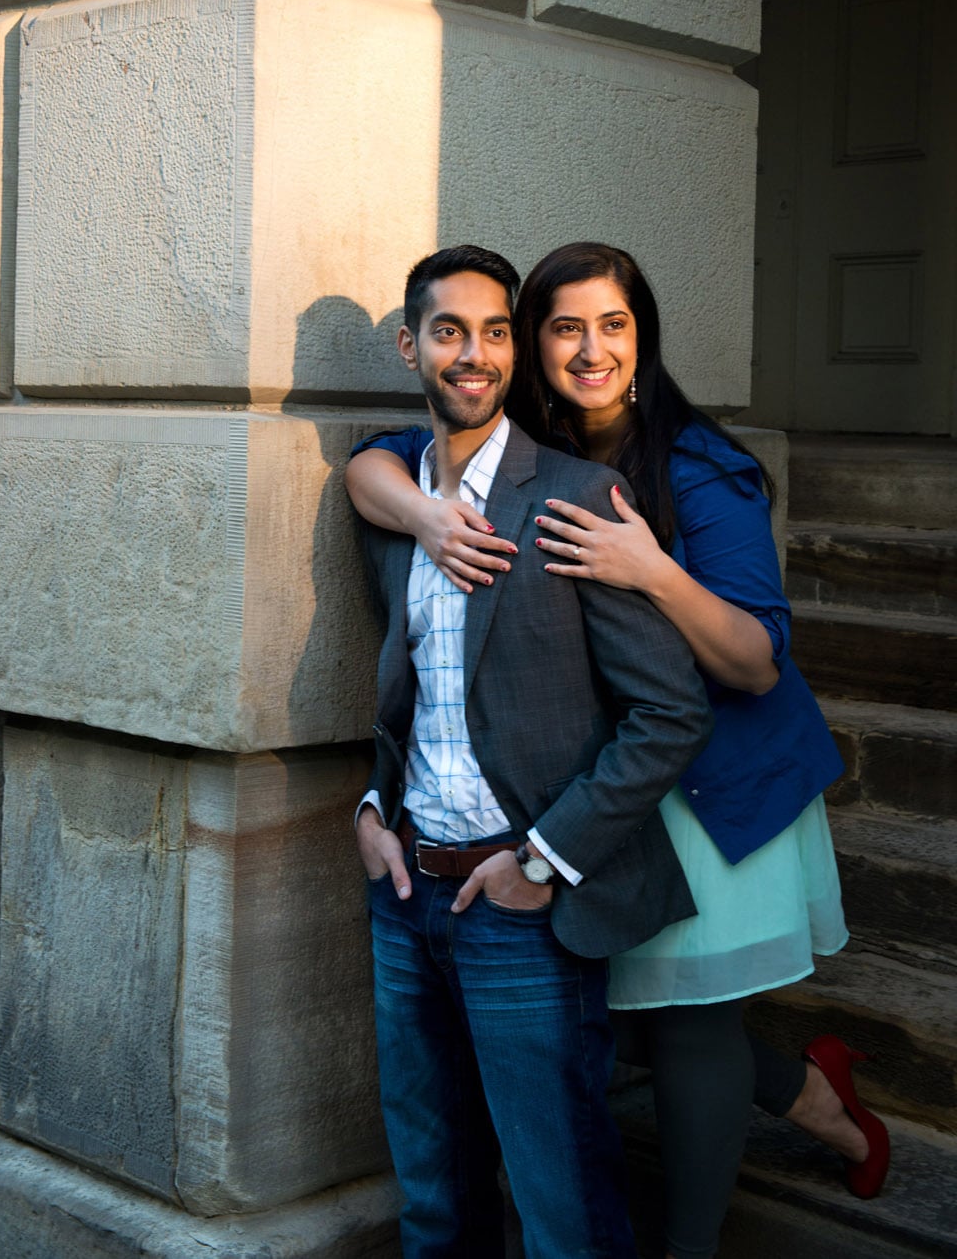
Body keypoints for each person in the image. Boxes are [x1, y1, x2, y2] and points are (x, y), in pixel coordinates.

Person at [346, 241, 891, 1259]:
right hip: (587, 779)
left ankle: (693, 1238)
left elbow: (756, 662)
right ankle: (812, 1089)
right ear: (532, 345)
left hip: (714, 784)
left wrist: (651, 570)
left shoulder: (698, 468)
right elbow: (374, 461)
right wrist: (427, 515)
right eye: (563, 327)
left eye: (614, 326)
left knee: (681, 1024)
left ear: (643, 338)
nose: (589, 349)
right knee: (610, 1006)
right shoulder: (517, 446)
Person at [354, 244, 714, 1259]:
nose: (474, 355)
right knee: (433, 1198)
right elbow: (408, 691)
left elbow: (669, 714)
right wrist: (372, 809)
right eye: (450, 331)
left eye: (497, 331)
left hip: (522, 907)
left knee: (562, 1209)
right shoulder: (394, 514)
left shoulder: (573, 497)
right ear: (409, 347)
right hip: (405, 897)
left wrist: (544, 860)